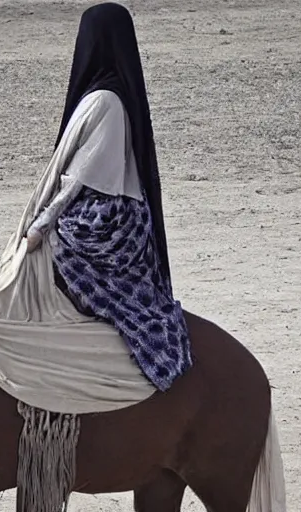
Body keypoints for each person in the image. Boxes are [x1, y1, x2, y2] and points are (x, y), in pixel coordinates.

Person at [24, 2, 191, 391]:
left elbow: (80, 178)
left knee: (54, 247)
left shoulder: (106, 103)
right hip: (112, 209)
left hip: (109, 219)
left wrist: (41, 223)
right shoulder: (107, 97)